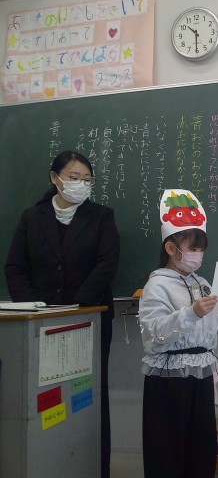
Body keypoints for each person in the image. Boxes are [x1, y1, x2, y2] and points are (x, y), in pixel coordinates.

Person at [4, 150, 120, 478]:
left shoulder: (101, 216)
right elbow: (15, 268)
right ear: (55, 178)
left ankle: (95, 468)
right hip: (40, 325)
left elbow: (106, 265)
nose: (81, 184)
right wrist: (37, 310)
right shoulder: (32, 217)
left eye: (87, 180)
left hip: (89, 320)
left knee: (89, 395)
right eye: (74, 178)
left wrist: (77, 307)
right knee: (45, 398)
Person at [137, 188, 218, 478]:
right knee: (168, 447)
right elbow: (155, 331)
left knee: (201, 444)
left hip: (201, 372)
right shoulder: (156, 286)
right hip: (168, 376)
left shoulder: (202, 283)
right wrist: (192, 313)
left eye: (200, 249)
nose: (197, 255)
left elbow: (217, 325)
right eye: (192, 248)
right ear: (171, 248)